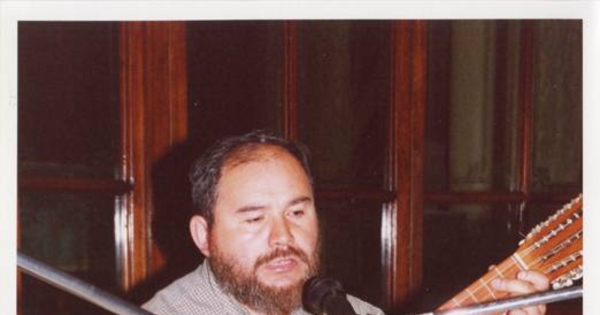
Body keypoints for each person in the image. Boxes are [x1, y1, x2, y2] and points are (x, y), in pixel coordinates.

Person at [142, 130, 549, 315]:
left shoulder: (348, 311)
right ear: (204, 236)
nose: (283, 237)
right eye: (253, 219)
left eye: (297, 212)